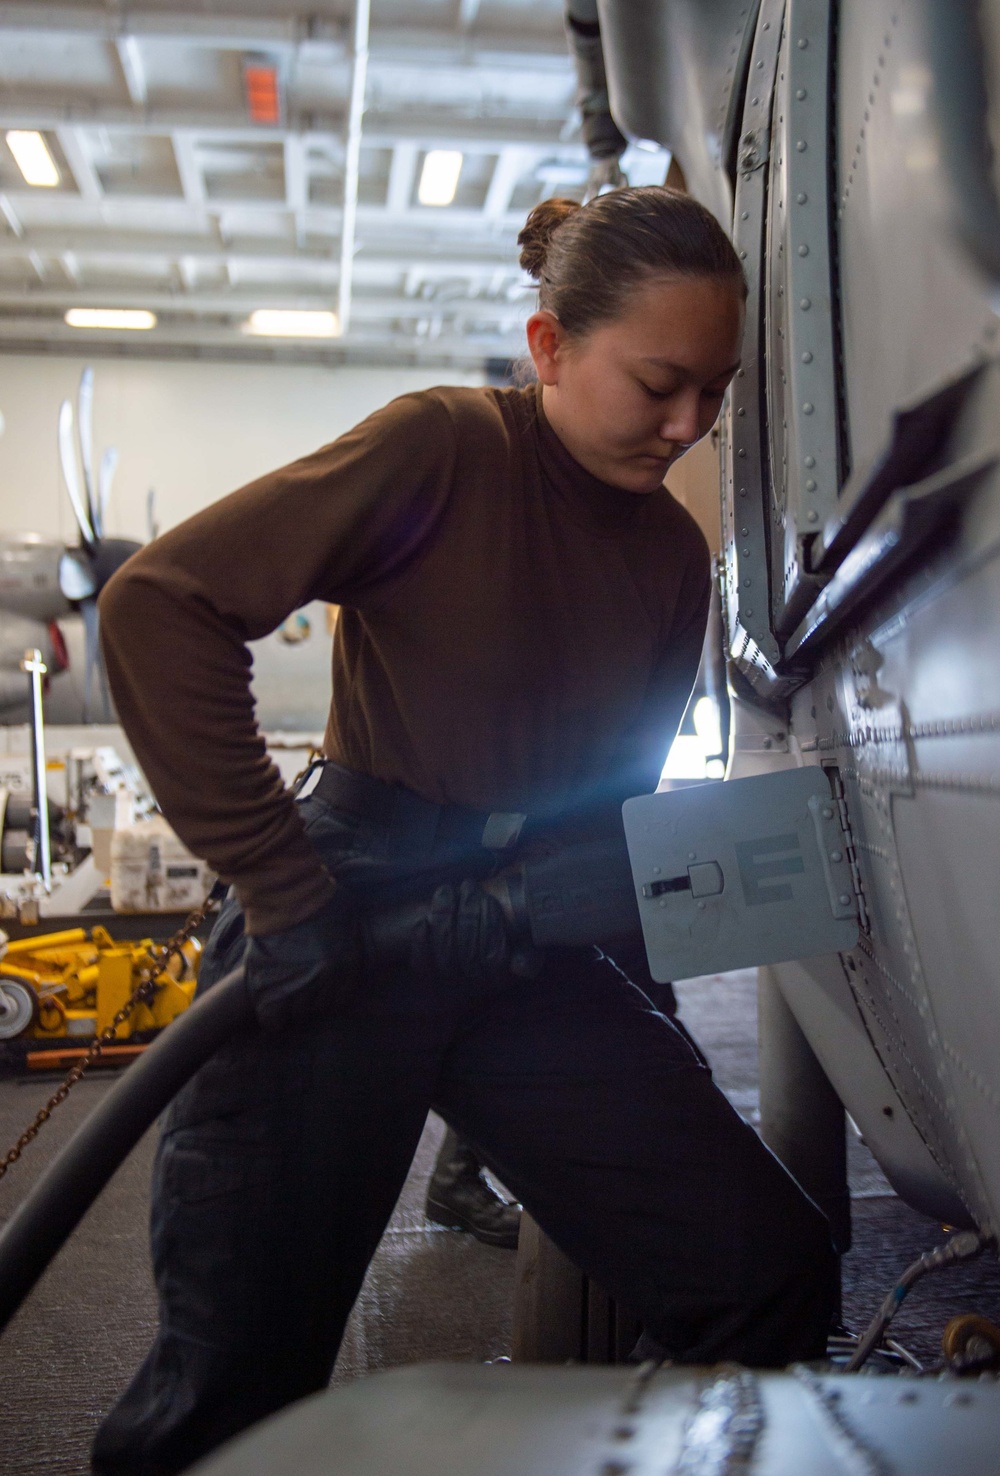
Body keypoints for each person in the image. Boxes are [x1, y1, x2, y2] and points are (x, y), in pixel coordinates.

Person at [92, 187, 838, 1475]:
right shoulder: (444, 448)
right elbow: (161, 607)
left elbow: (619, 806)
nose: (689, 426)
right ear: (550, 348)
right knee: (234, 1390)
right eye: (660, 383)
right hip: (346, 916)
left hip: (526, 941)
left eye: (715, 395)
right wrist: (275, 880)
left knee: (760, 1267)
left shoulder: (670, 558)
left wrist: (648, 1019)